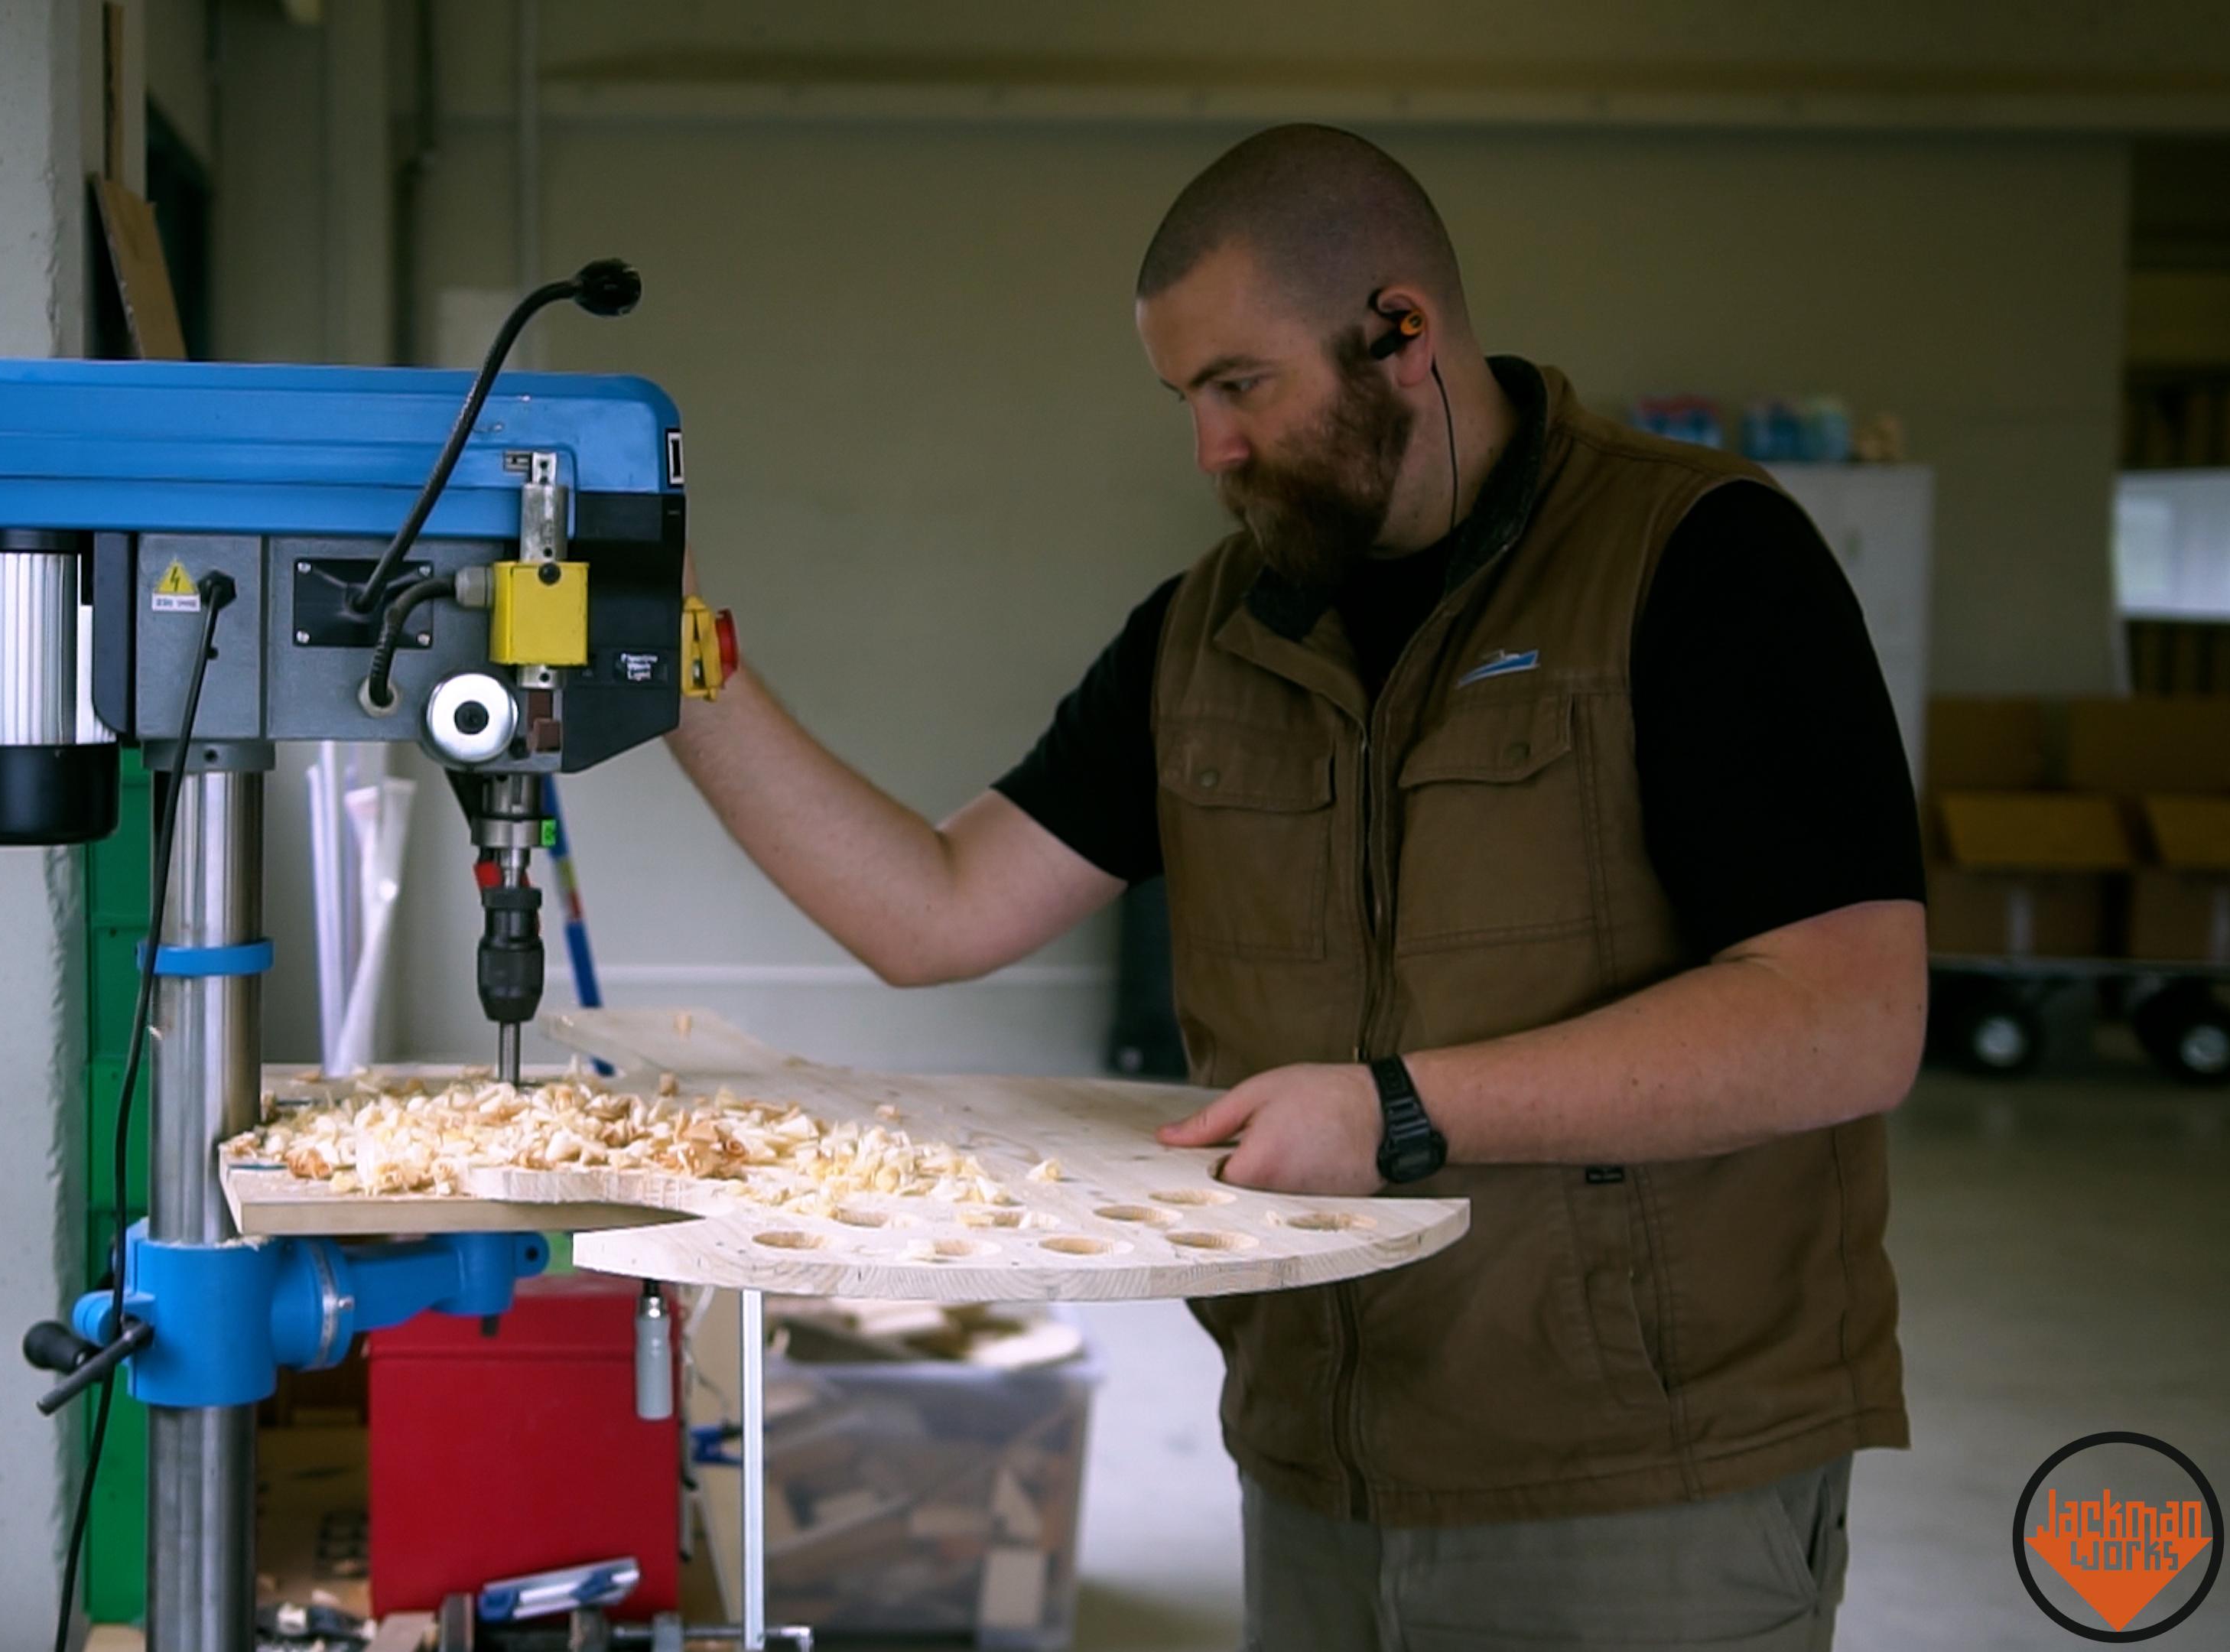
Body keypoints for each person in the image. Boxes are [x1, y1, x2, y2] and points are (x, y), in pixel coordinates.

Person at [665, 124, 1923, 1649]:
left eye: (1238, 386)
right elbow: (930, 911)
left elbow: (1847, 1018)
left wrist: (1401, 1108)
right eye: (1185, 398)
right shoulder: (1210, 630)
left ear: (1400, 330)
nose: (1209, 450)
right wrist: (672, 662)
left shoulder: (1703, 562)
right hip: (1322, 1473)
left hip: (1642, 1488)